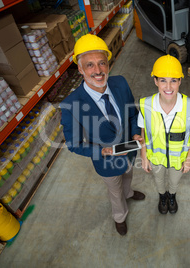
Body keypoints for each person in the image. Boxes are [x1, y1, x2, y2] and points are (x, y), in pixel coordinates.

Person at [60, 34, 145, 236]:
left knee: (128, 176)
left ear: (108, 64)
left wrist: (135, 133)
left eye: (101, 63)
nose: (97, 71)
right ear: (80, 69)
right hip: (106, 161)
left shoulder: (121, 83)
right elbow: (73, 144)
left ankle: (130, 193)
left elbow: (133, 114)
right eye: (89, 65)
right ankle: (120, 216)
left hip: (129, 151)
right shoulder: (71, 104)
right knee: (115, 191)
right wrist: (102, 151)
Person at [138, 55, 190, 214]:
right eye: (163, 80)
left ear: (180, 81)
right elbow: (144, 131)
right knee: (159, 180)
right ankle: (162, 196)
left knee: (174, 181)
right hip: (156, 157)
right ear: (155, 81)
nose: (168, 86)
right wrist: (143, 155)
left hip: (178, 158)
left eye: (173, 80)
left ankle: (172, 196)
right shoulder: (146, 105)